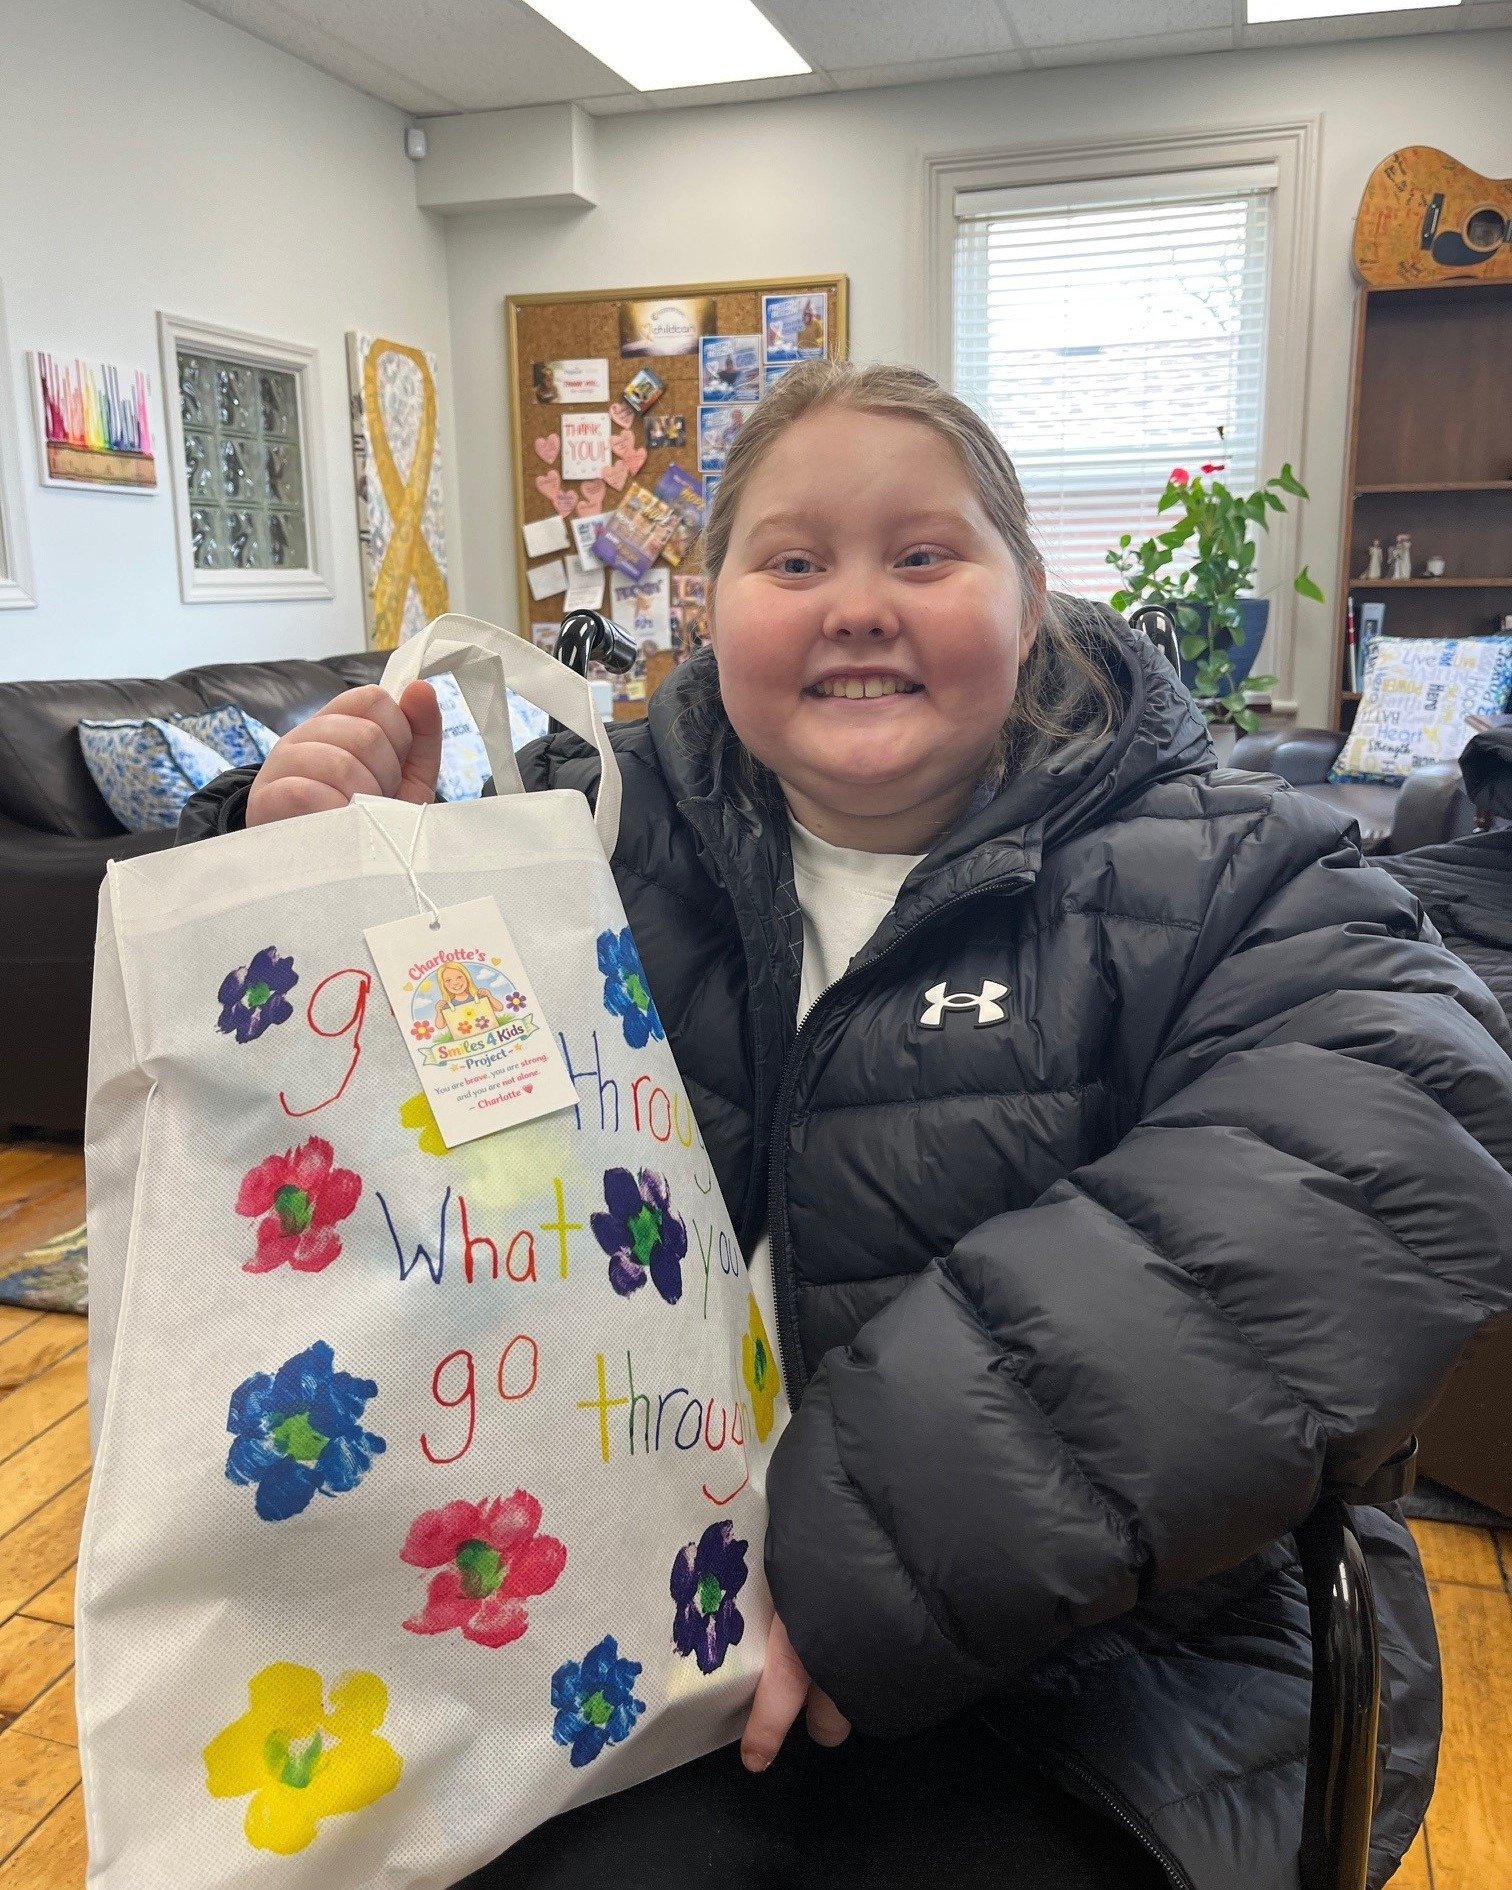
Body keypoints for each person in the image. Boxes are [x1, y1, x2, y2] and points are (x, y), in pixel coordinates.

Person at [180, 361, 1512, 1890]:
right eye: (795, 560)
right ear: (712, 606)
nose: (858, 602)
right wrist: (306, 875)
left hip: (1092, 1673)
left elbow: (1390, 1143)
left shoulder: (1234, 867)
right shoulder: (569, 840)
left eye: (926, 555)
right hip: (605, 1622)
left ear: (1032, 602)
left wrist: (865, 1527)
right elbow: (378, 1164)